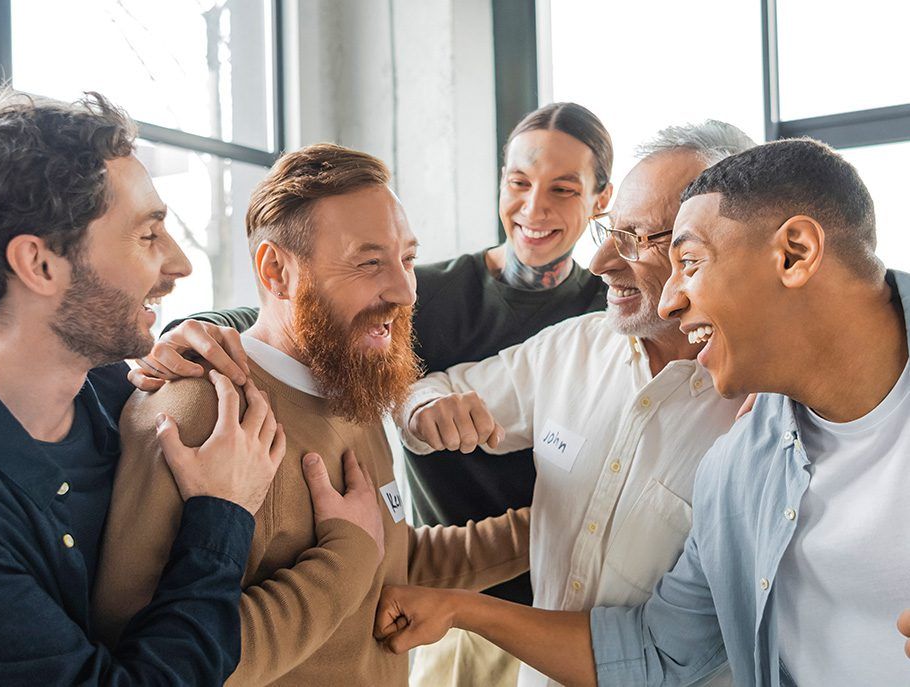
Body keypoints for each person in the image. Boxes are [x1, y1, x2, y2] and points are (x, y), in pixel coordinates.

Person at [374, 138, 910, 686]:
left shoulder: (742, 434)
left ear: (793, 253)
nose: (672, 300)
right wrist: (461, 608)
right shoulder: (742, 461)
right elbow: (658, 650)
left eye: (690, 260)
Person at [130, 102, 614, 686]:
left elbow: (398, 560)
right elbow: (168, 662)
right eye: (369, 263)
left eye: (408, 259)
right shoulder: (200, 415)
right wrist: (185, 328)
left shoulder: (355, 390)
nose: (407, 291)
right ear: (276, 271)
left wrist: (573, 518)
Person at [0, 90, 295, 685]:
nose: (179, 265)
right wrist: (221, 515)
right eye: (148, 236)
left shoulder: (126, 393)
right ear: (40, 265)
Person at [396, 121, 754, 687]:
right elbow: (417, 382)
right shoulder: (576, 344)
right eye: (612, 232)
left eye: (637, 237)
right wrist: (423, 410)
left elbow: (669, 649)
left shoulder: (766, 416)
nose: (602, 261)